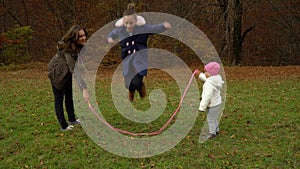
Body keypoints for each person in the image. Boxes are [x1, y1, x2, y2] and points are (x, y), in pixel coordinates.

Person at [107, 6, 171, 102]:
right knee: (128, 83)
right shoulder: (120, 30)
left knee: (136, 82)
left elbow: (153, 28)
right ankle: (131, 90)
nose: (129, 25)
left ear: (136, 21)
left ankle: (140, 87)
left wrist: (163, 26)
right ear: (123, 22)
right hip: (127, 60)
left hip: (139, 59)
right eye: (126, 23)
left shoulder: (142, 28)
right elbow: (112, 34)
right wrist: (110, 38)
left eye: (131, 23)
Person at [48, 25, 89, 131]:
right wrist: (84, 88)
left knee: (69, 96)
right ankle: (63, 125)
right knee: (59, 99)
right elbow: (74, 69)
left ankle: (72, 119)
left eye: (84, 35)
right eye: (80, 36)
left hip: (67, 73)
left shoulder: (78, 46)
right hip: (57, 73)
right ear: (74, 38)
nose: (83, 38)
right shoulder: (68, 50)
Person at [195, 62, 224, 139]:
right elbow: (207, 78)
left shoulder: (209, 85)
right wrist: (199, 74)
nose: (205, 73)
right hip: (217, 103)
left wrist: (202, 107)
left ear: (210, 73)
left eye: (206, 72)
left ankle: (212, 133)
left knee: (210, 118)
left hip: (212, 104)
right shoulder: (216, 79)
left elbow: (207, 97)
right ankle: (216, 130)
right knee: (214, 117)